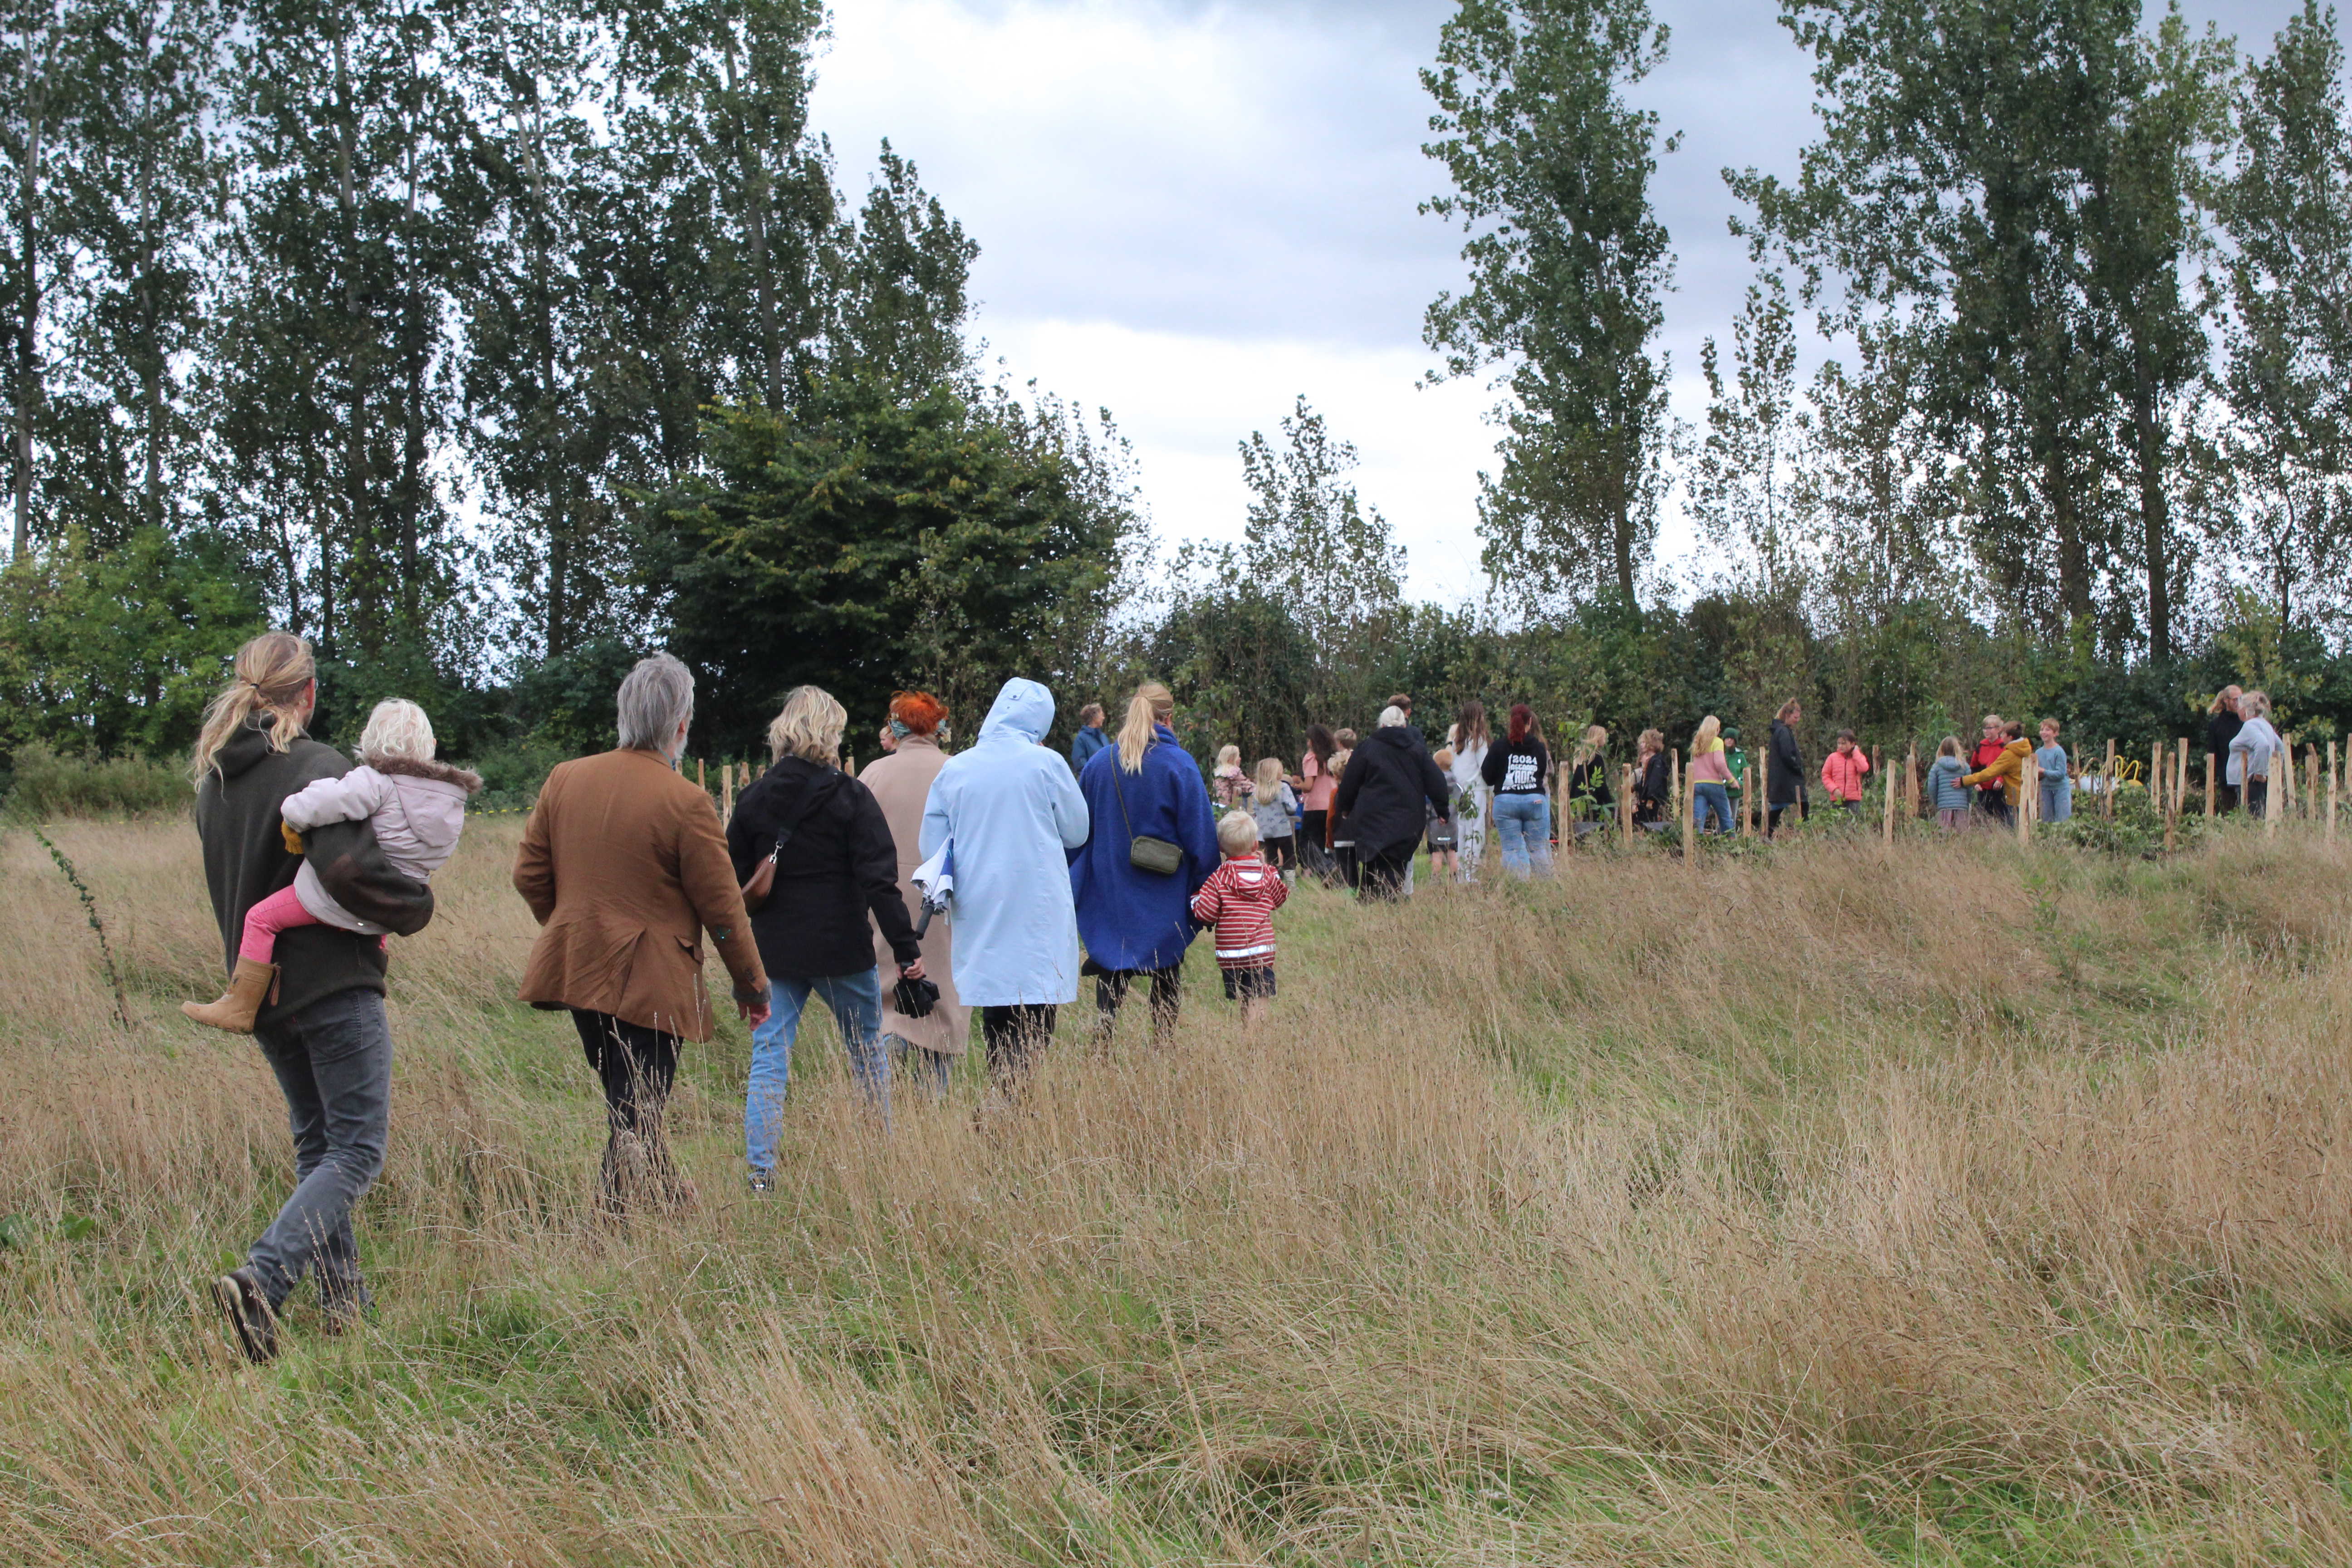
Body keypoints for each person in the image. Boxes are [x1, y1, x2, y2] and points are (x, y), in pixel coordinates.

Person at [189, 632, 437, 1362]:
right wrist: (415, 906)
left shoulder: (213, 784)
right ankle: (262, 1280)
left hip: (261, 992)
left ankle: (344, 1304)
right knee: (357, 1149)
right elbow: (351, 871)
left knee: (319, 1147)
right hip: (332, 985)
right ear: (309, 693)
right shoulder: (322, 768)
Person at [514, 653, 769, 1217]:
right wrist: (752, 986)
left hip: (580, 969)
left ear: (624, 713)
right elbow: (723, 909)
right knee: (637, 1112)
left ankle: (671, 1203)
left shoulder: (565, 778)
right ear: (681, 724)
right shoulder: (687, 801)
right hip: (654, 979)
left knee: (629, 1105)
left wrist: (572, 927)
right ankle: (609, 1227)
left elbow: (528, 875)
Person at [726, 686, 926, 1187]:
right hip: (843, 949)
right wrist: (907, 952)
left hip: (775, 951)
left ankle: (760, 1176)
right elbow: (880, 884)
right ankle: (880, 1166)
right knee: (867, 1054)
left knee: (769, 1058)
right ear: (830, 733)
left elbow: (731, 881)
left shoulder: (754, 798)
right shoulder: (851, 796)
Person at [184, 697, 480, 1033]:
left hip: (338, 900)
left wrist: (293, 813)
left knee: (260, 919)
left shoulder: (375, 782)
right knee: (372, 931)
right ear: (433, 745)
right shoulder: (451, 800)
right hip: (390, 906)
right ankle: (374, 975)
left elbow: (321, 804)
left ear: (368, 739)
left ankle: (240, 1005)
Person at [920, 678, 1090, 1088]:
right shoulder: (1046, 764)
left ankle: (1003, 1087)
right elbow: (1077, 831)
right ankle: (1016, 1094)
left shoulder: (956, 768)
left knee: (995, 1000)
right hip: (1037, 901)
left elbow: (932, 845)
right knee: (1037, 1000)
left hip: (980, 901)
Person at [1071, 682, 1220, 1048]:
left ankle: (1102, 1042)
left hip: (1110, 886)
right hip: (1164, 888)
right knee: (1166, 965)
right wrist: (1208, 886)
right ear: (1168, 718)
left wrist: (1080, 881)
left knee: (1113, 964)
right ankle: (1163, 1048)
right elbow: (1201, 833)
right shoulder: (1178, 764)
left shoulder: (1099, 764)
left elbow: (1077, 832)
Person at [858, 692, 969, 1101]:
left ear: (896, 727)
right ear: (939, 728)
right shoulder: (959, 772)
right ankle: (931, 1100)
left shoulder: (873, 774)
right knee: (943, 993)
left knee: (885, 989)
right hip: (942, 904)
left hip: (883, 902)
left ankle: (880, 1098)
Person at [1334, 706, 1451, 898]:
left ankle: (1372, 900)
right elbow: (1436, 781)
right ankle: (1387, 900)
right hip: (1408, 818)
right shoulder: (1417, 750)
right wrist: (1442, 810)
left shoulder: (1367, 748)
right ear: (1404, 725)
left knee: (1374, 860)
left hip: (1372, 818)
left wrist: (1345, 808)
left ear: (1381, 725)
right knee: (1395, 863)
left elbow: (1350, 781)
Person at [1188, 811, 1289, 1024]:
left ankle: (1247, 1033)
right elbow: (1280, 899)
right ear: (1255, 845)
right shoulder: (1267, 874)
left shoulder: (1218, 878)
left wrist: (1196, 898)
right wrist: (1267, 868)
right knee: (1259, 995)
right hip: (1261, 951)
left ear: (1221, 848)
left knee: (1245, 996)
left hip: (1231, 954)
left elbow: (1206, 914)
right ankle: (1255, 1038)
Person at [1482, 703, 1554, 874]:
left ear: (1511, 721)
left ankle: (1517, 886)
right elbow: (1542, 773)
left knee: (1511, 849)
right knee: (1538, 849)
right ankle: (1544, 887)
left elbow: (1487, 775)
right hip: (1535, 800)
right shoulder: (1539, 747)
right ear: (1530, 722)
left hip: (1506, 801)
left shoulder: (1498, 746)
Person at [1448, 701, 1492, 880]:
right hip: (1476, 791)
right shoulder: (1479, 741)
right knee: (1475, 832)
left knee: (1461, 832)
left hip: (1459, 792)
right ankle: (1470, 874)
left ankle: (1461, 874)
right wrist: (1495, 790)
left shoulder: (1457, 742)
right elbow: (1486, 768)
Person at [1961, 720, 2033, 819]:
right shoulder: (2025, 749)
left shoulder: (2010, 754)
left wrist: (1964, 781)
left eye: (2003, 734)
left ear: (2010, 737)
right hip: (2026, 794)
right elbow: (1975, 765)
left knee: (2011, 825)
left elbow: (1990, 773)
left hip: (2013, 796)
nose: (2001, 736)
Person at [2230, 691, 2284, 821]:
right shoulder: (2265, 724)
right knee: (2262, 816)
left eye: (2239, 708)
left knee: (2253, 819)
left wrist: (2260, 773)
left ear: (2245, 710)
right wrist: (2274, 772)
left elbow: (2263, 745)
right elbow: (2280, 747)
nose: (2238, 711)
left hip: (2250, 782)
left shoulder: (2250, 725)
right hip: (2259, 782)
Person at [1297, 723, 1340, 880]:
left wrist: (1298, 785)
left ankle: (1327, 867)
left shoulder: (1311, 758)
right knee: (1326, 842)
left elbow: (1309, 786)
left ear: (1313, 741)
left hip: (1315, 806)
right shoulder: (1332, 758)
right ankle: (1333, 870)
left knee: (1305, 843)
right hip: (1332, 803)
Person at [1249, 757, 1299, 878]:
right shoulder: (1283, 787)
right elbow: (1292, 807)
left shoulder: (1257, 790)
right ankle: (1290, 881)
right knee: (1289, 855)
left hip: (1266, 831)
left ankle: (1273, 878)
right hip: (1283, 829)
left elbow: (1255, 810)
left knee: (1271, 857)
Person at [1766, 700, 1810, 837]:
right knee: (1803, 805)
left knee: (1777, 808)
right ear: (1787, 715)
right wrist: (1798, 768)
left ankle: (1768, 835)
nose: (1798, 720)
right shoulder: (1784, 732)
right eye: (1795, 717)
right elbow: (1788, 755)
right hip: (1788, 780)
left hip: (1780, 781)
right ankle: (1806, 833)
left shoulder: (1779, 731)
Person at [1687, 715, 1733, 834]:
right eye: (1718, 728)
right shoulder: (1717, 742)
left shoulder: (1697, 743)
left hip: (1698, 784)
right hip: (1714, 784)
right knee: (1725, 817)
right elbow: (1720, 764)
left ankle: (1696, 841)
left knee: (1698, 820)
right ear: (1715, 729)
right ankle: (1731, 842)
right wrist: (1731, 780)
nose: (1719, 731)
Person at [1564, 724, 1612, 839]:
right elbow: (1600, 783)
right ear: (1599, 737)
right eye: (1604, 736)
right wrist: (1609, 802)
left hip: (1581, 798)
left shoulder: (1583, 757)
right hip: (1594, 800)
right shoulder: (1596, 757)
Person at [1328, 727, 1360, 888]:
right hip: (1361, 836)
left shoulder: (1336, 793)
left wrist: (1329, 842)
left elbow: (1330, 818)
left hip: (1341, 838)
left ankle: (1351, 893)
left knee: (1347, 870)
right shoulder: (1362, 791)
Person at [2207, 687, 2244, 813]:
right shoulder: (2216, 725)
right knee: (2229, 813)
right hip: (2226, 779)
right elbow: (2212, 752)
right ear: (2226, 700)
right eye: (2235, 700)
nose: (2239, 702)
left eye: (2241, 699)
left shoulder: (2246, 722)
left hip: (2246, 775)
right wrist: (2218, 776)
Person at [1970, 714, 2010, 828]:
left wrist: (2001, 780)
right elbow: (1974, 767)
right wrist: (1976, 783)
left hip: (1999, 789)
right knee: (1983, 817)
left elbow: (2008, 766)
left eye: (1990, 728)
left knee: (2003, 816)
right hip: (1983, 788)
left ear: (1998, 729)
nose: (1986, 731)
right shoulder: (1981, 746)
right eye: (1985, 728)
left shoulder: (2004, 746)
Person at [1820, 730, 1871, 816]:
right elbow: (1826, 776)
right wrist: (1834, 789)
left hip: (1854, 799)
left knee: (1853, 822)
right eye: (1839, 743)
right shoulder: (1832, 758)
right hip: (1837, 799)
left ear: (1852, 744)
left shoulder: (1858, 757)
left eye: (1844, 744)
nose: (1841, 746)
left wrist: (1856, 753)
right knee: (1837, 822)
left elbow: (1864, 768)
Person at [1927, 736, 1971, 830]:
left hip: (1944, 806)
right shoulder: (1965, 766)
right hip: (1961, 806)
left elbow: (1931, 787)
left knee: (1944, 834)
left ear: (1941, 749)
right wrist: (1968, 801)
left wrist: (1936, 802)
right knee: (1962, 835)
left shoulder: (1937, 766)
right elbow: (1970, 787)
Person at [1632, 729, 1672, 830]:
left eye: (1644, 742)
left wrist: (1652, 799)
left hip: (1653, 803)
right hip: (1645, 802)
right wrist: (1634, 787)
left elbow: (1655, 782)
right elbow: (1646, 782)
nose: (1641, 745)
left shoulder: (1657, 761)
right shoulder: (1651, 761)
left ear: (1652, 744)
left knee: (1652, 826)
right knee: (1645, 825)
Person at [2034, 718, 2072, 823]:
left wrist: (2044, 771)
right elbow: (2038, 773)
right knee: (2047, 820)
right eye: (2042, 730)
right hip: (2046, 789)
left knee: (2062, 819)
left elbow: (2061, 774)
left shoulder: (2059, 751)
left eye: (2048, 730)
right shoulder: (2038, 752)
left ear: (2056, 734)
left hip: (2060, 789)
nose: (2044, 732)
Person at [1068, 702, 1109, 775]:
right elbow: (1081, 765)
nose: (1103, 718)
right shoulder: (1081, 739)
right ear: (1094, 717)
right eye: (1102, 715)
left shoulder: (1103, 737)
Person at [1211, 744, 1250, 809]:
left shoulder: (1217, 771)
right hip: (1227, 808)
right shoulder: (1233, 771)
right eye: (1238, 756)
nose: (1240, 759)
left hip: (1215, 806)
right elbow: (1247, 787)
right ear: (1232, 759)